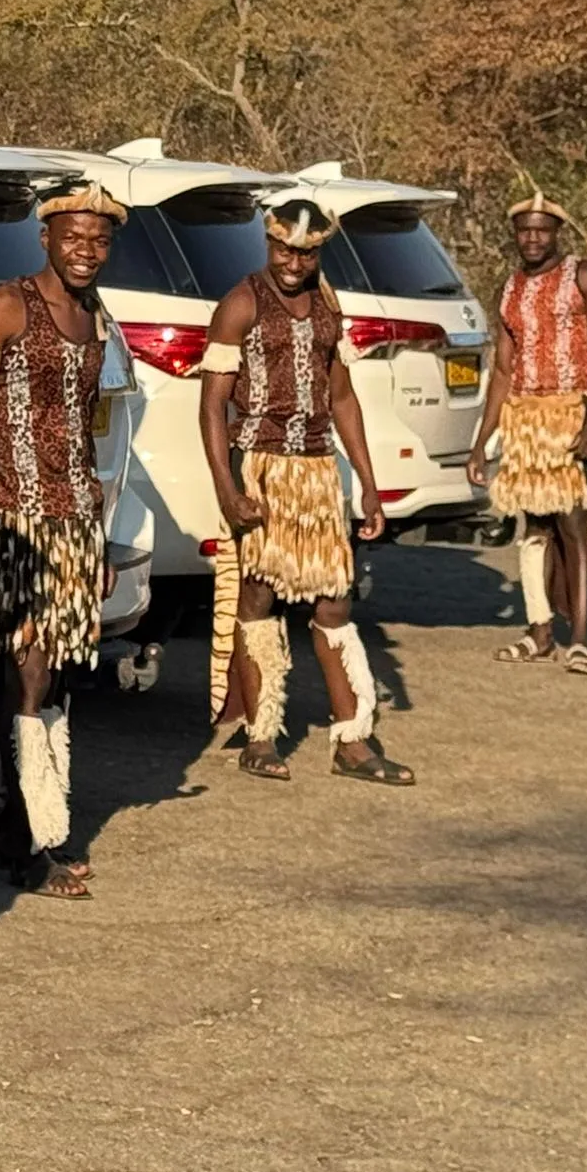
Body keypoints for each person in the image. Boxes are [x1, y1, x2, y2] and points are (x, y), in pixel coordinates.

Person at [0, 177, 124, 900]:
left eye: (100, 240)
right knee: (27, 675)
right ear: (45, 238)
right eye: (73, 237)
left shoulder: (95, 316)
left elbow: (81, 434)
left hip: (75, 522)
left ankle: (22, 827)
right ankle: (29, 844)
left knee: (51, 680)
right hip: (15, 519)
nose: (86, 251)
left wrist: (99, 541)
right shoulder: (6, 306)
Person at [199, 197, 413, 785]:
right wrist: (226, 487)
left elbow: (341, 397)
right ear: (268, 244)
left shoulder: (327, 305)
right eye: (285, 248)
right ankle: (260, 735)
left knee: (334, 603)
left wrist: (369, 484)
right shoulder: (240, 304)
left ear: (321, 250)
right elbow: (213, 405)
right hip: (262, 469)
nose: (294, 261)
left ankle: (353, 739)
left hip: (319, 473)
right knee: (259, 600)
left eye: (308, 251)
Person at [470, 192, 587, 674]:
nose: (533, 238)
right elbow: (504, 370)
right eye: (525, 230)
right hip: (525, 420)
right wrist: (482, 440)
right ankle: (538, 631)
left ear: (557, 233)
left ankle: (579, 638)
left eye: (542, 230)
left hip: (570, 410)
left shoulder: (584, 276)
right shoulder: (510, 288)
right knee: (532, 526)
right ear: (515, 234)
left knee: (573, 525)